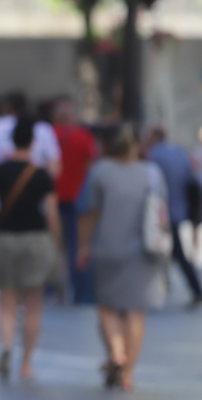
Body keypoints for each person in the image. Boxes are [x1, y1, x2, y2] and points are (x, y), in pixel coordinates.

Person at [78, 124, 168, 391]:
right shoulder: (152, 173)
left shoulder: (99, 172)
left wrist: (83, 246)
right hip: (144, 250)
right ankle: (127, 373)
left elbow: (89, 214)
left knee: (107, 307)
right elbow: (161, 210)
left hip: (107, 248)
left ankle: (116, 352)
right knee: (135, 312)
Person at [0, 116, 61, 380]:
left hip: (6, 238)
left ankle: (6, 346)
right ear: (34, 142)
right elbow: (51, 214)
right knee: (33, 305)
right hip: (36, 240)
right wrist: (56, 243)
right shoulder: (41, 175)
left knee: (6, 301)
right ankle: (26, 364)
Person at [145, 127, 202, 307]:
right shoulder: (179, 152)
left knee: (166, 250)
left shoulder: (154, 155)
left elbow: (152, 185)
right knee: (173, 250)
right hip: (177, 207)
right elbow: (190, 179)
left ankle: (194, 289)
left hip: (161, 211)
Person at [51, 96, 97, 303]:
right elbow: (90, 167)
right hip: (78, 199)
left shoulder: (48, 135)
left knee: (54, 246)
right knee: (77, 247)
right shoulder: (83, 136)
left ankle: (53, 290)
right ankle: (80, 293)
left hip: (52, 198)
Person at [0, 92, 61, 178]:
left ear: (7, 106)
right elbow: (54, 168)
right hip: (37, 185)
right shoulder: (43, 128)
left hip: (2, 185)